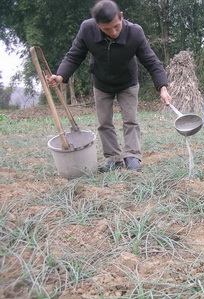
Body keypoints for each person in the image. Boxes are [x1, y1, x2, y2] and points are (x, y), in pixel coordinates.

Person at [46, 0, 171, 172]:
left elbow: (152, 62)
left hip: (127, 82)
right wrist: (60, 76)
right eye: (106, 29)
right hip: (102, 83)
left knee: (130, 120)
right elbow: (74, 55)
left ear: (121, 17)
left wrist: (162, 88)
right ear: (97, 25)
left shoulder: (135, 32)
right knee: (104, 122)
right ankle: (113, 159)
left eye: (116, 27)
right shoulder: (87, 29)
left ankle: (132, 156)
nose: (113, 32)